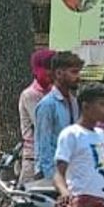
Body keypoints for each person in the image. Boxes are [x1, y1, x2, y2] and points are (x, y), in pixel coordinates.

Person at [53, 82, 104, 207]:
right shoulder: (71, 134)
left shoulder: (100, 134)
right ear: (86, 107)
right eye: (103, 104)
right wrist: (65, 193)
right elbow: (58, 174)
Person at [33, 51, 83, 181]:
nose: (78, 77)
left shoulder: (73, 101)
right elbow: (44, 146)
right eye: (74, 72)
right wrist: (53, 178)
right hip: (52, 174)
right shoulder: (47, 105)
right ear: (59, 73)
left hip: (71, 172)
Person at [17, 48, 54, 183]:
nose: (51, 72)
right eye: (47, 67)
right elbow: (43, 125)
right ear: (37, 70)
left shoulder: (55, 92)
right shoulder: (30, 95)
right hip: (33, 159)